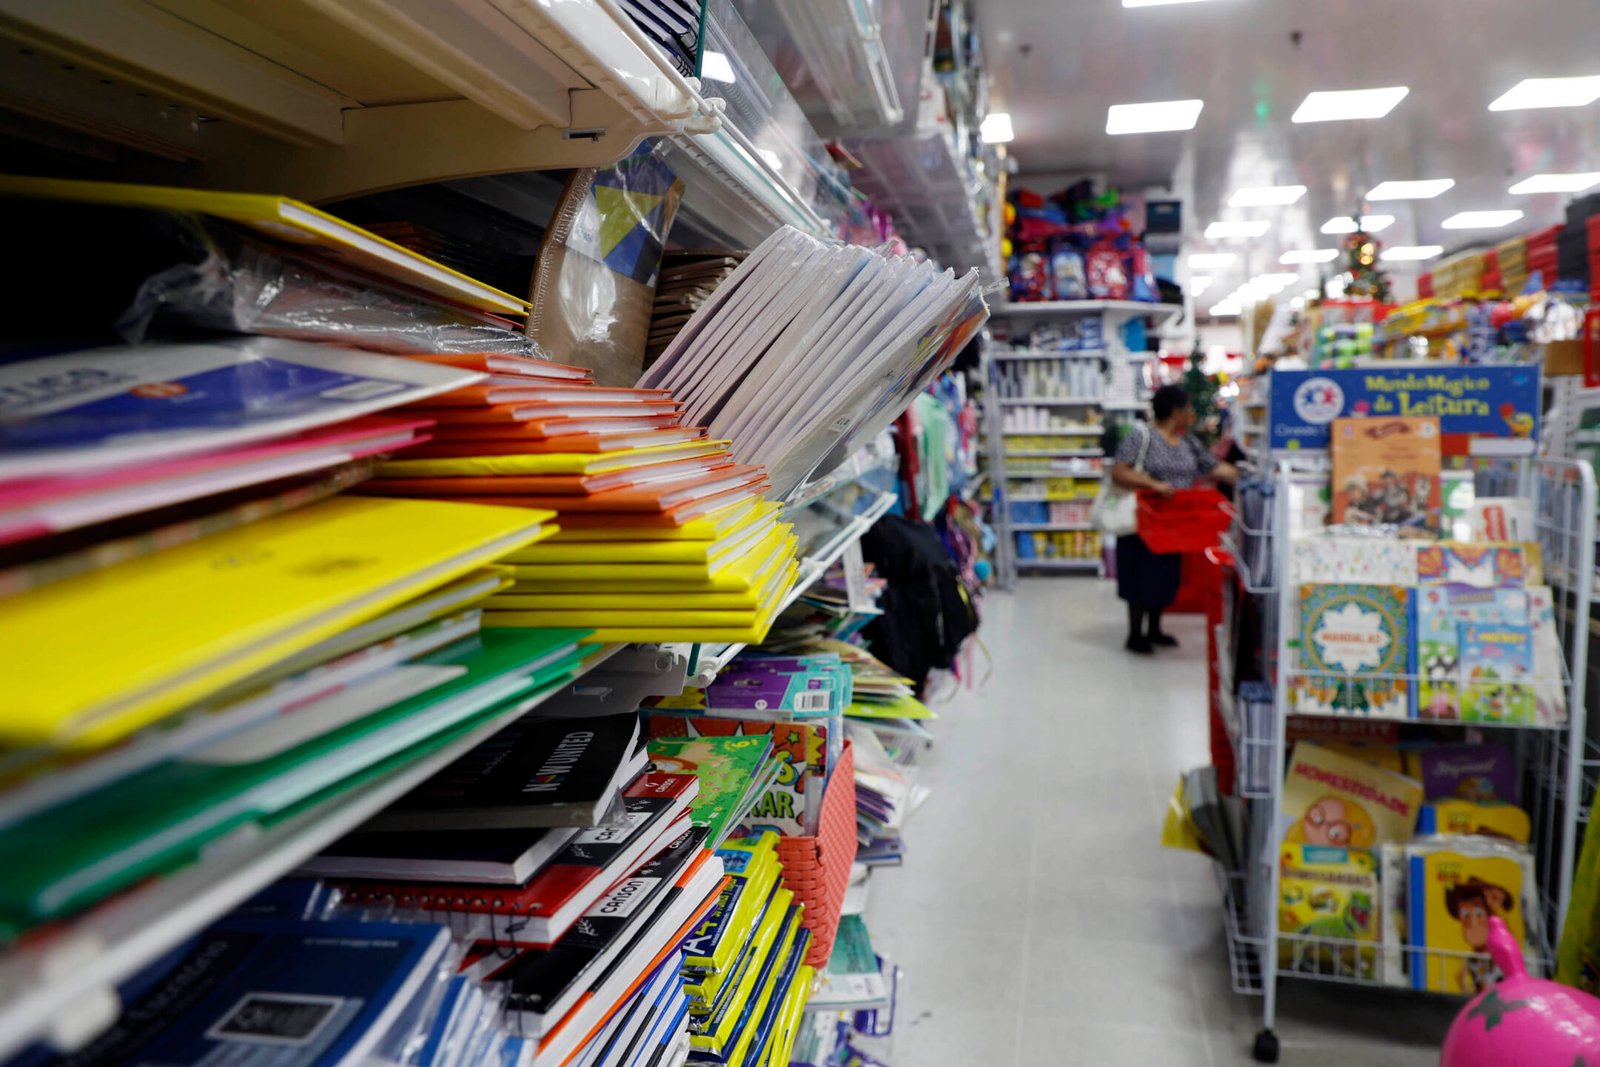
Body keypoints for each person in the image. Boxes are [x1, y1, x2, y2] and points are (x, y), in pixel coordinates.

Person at [1110, 383, 1239, 653]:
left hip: (1173, 525)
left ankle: (1155, 629)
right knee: (1139, 576)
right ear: (1174, 411)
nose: (1191, 413)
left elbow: (1214, 467)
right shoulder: (1142, 436)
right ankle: (1135, 635)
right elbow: (1119, 472)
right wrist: (1153, 485)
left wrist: (1252, 477)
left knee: (1165, 576)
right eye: (1187, 408)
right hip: (1141, 521)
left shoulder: (1187, 442)